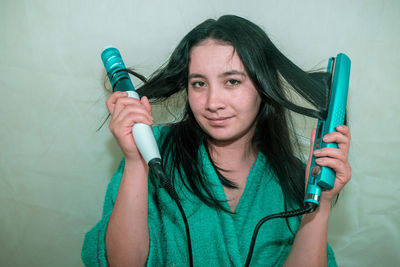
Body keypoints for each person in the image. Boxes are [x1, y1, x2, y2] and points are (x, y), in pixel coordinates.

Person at [82, 15, 351, 266]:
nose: (212, 103)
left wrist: (322, 203)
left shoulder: (293, 177)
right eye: (199, 83)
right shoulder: (153, 152)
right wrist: (135, 162)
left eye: (232, 81)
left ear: (264, 85)